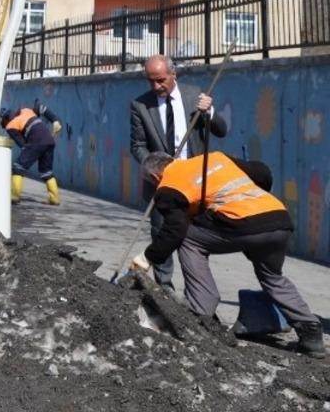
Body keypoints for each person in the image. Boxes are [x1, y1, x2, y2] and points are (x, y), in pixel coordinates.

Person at [133, 150, 325, 358]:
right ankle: (311, 333)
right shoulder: (214, 158)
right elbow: (262, 173)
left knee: (188, 237)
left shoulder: (168, 186)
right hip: (278, 220)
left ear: (154, 177)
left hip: (245, 224)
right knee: (272, 277)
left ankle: (201, 313)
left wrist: (148, 257)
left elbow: (174, 230)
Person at [129, 54, 227, 291]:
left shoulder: (195, 97)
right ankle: (164, 289)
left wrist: (210, 112)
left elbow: (222, 130)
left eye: (161, 80)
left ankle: (197, 292)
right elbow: (137, 146)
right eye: (150, 81)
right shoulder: (140, 105)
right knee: (161, 234)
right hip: (162, 184)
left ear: (174, 74)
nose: (156, 86)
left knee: (194, 239)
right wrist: (153, 166)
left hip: (194, 183)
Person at [0, 102, 63, 205]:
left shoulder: (10, 126)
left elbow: (23, 145)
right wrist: (55, 120)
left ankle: (14, 196)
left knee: (18, 167)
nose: (2, 124)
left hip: (36, 141)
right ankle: (54, 199)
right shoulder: (26, 111)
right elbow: (42, 108)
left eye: (1, 121)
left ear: (5, 119)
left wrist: (30, 149)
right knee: (46, 171)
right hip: (49, 141)